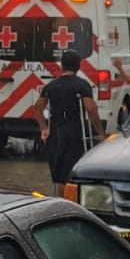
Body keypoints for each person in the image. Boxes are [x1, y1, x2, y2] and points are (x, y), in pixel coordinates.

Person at [35, 49, 105, 186]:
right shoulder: (82, 85)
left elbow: (37, 108)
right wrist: (100, 133)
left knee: (59, 175)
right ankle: (73, 202)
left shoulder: (51, 86)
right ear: (78, 66)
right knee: (72, 172)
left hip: (56, 133)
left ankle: (61, 202)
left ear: (62, 65)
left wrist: (44, 129)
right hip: (74, 133)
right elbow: (91, 109)